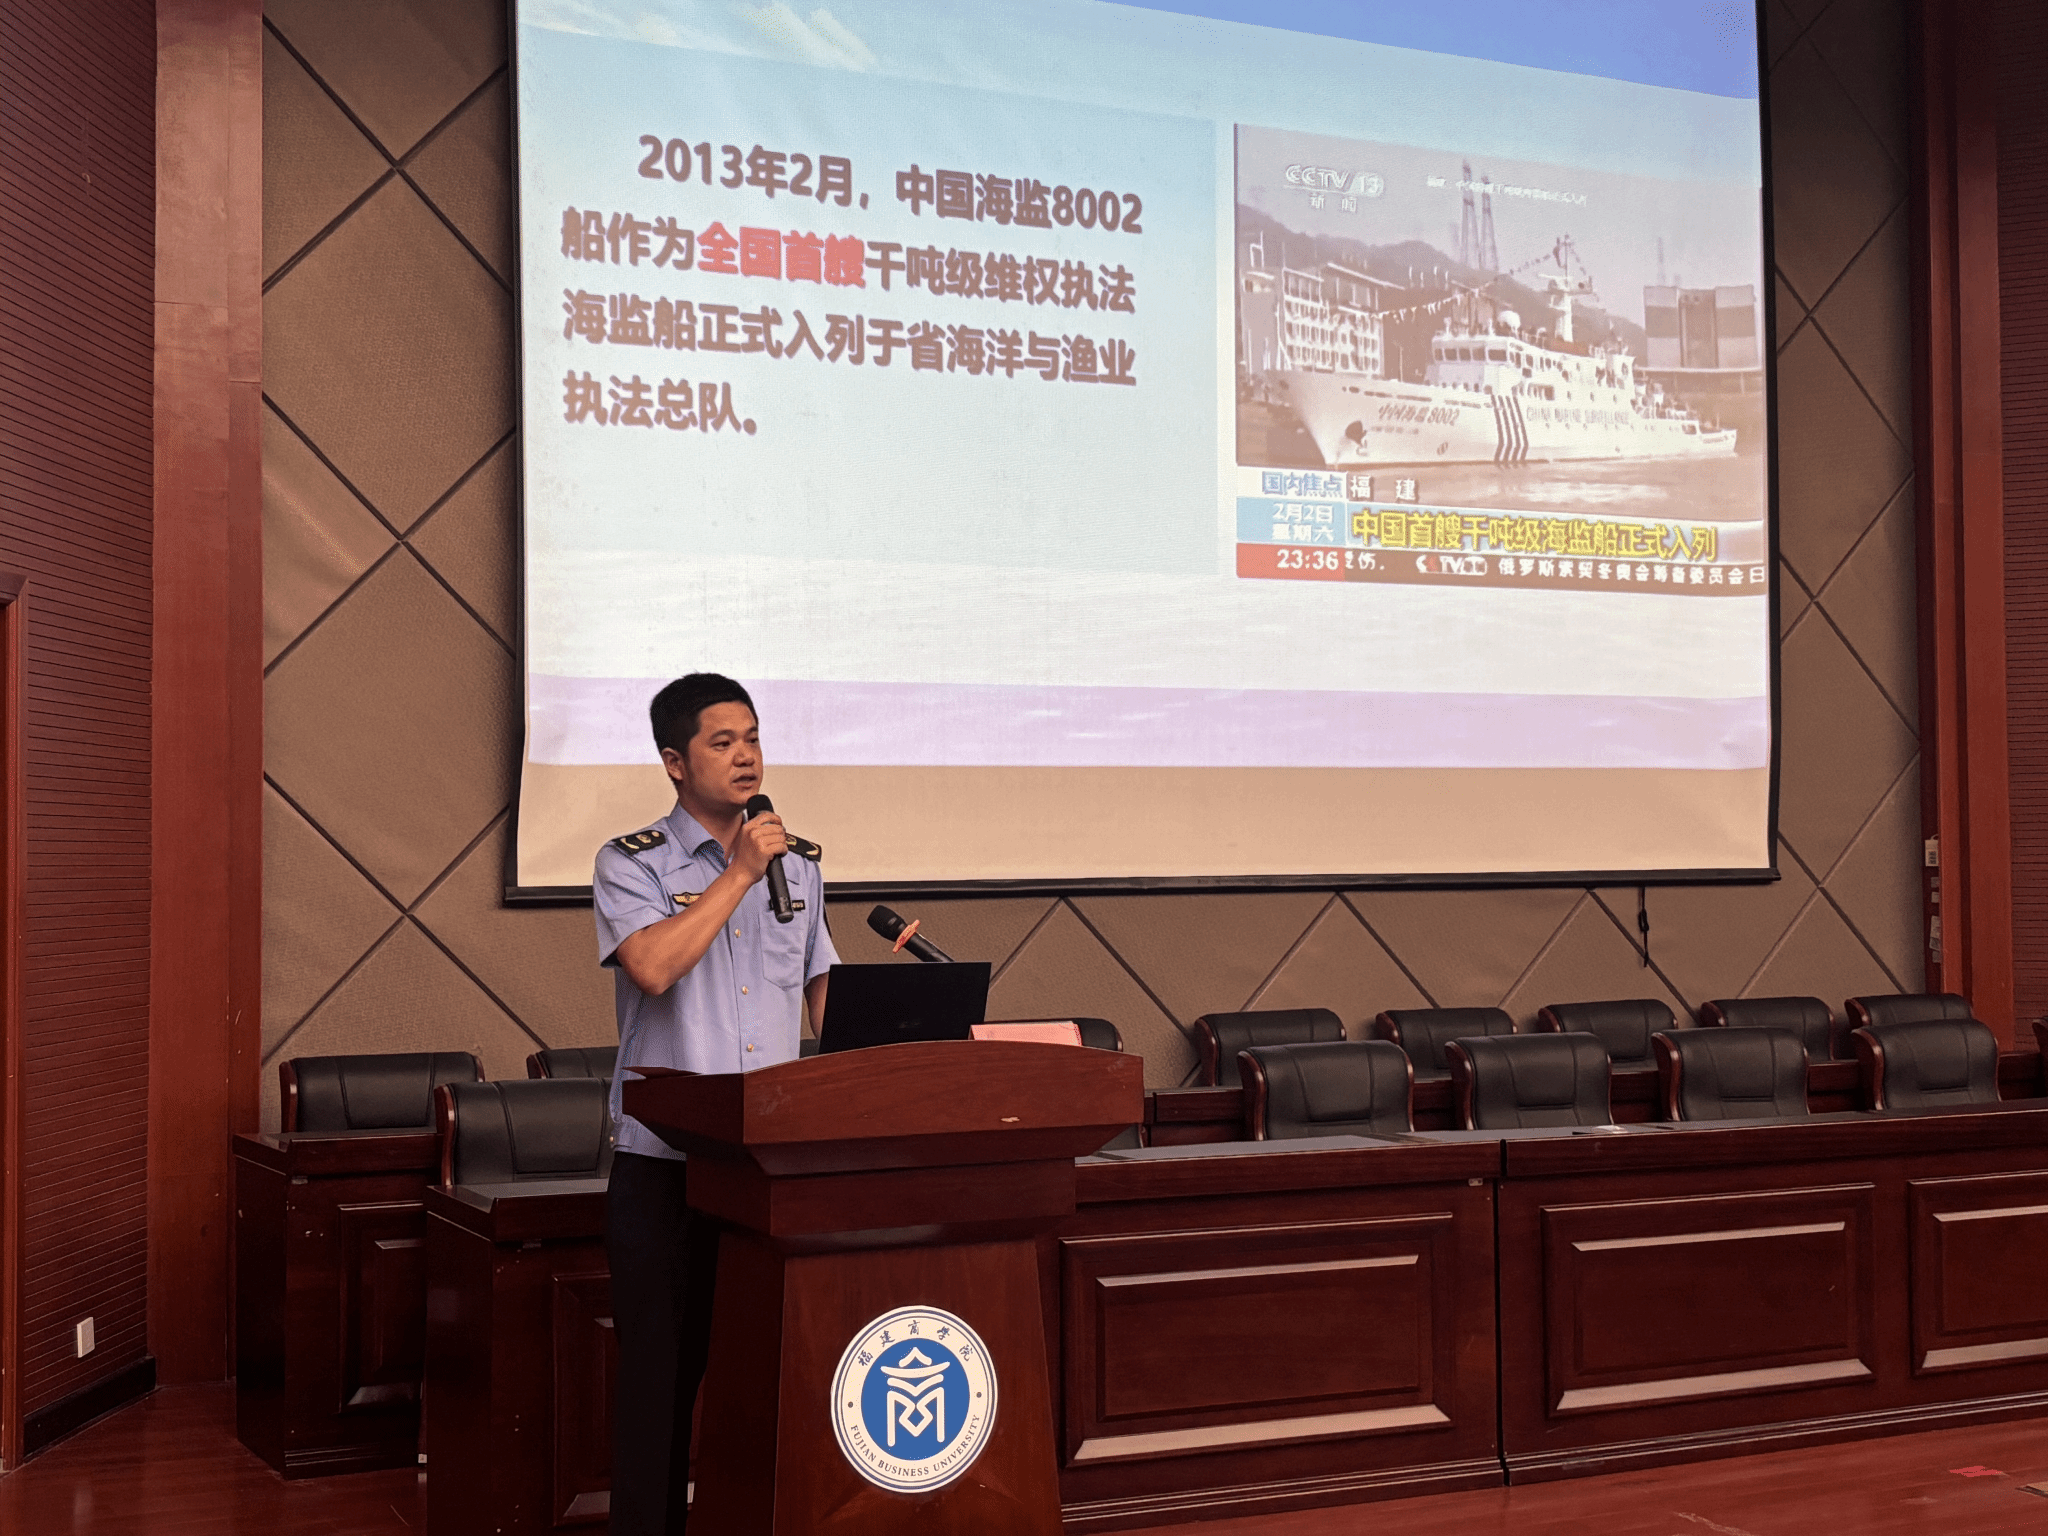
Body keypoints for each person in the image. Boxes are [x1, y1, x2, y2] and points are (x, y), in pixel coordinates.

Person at [592, 672, 836, 1536]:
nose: (745, 756)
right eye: (722, 742)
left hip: (765, 1168)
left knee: (762, 1369)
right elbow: (653, 967)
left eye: (753, 738)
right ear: (674, 761)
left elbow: (826, 1007)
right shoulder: (631, 862)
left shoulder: (799, 866)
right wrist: (738, 874)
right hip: (665, 1168)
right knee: (658, 1383)